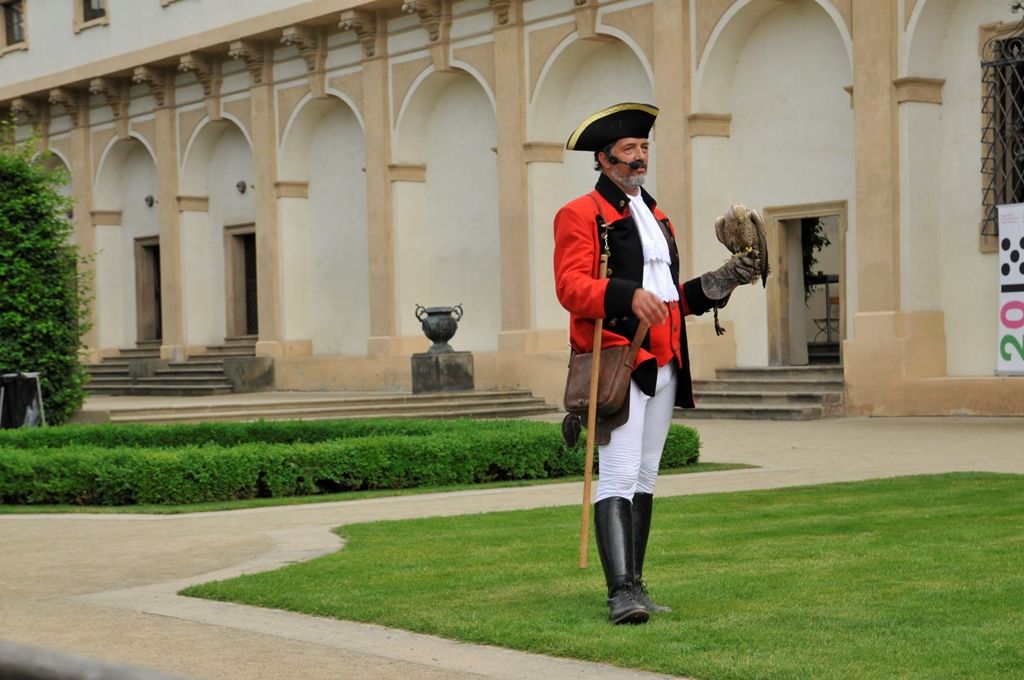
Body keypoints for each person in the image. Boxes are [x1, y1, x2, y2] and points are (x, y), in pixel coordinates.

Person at [553, 102, 759, 624]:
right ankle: (619, 593)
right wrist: (625, 295)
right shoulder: (580, 214)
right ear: (604, 160)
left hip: (666, 362)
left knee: (645, 475)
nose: (640, 157)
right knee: (619, 474)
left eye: (644, 148)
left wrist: (722, 279)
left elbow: (670, 298)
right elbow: (571, 287)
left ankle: (637, 585)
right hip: (621, 360)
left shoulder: (657, 214)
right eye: (629, 151)